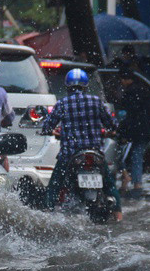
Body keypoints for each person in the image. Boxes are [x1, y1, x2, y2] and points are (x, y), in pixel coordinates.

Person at [40, 69, 122, 222]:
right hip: (94, 152)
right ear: (85, 86)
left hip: (70, 154)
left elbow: (46, 127)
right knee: (109, 183)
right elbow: (112, 125)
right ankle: (118, 214)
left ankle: (48, 214)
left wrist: (55, 133)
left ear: (67, 86)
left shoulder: (62, 103)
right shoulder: (96, 101)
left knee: (54, 184)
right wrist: (106, 132)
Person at [114, 68, 150, 199]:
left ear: (124, 80)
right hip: (145, 130)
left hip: (136, 131)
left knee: (122, 154)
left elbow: (130, 115)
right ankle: (136, 184)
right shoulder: (144, 91)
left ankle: (130, 181)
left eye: (121, 80)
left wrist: (122, 131)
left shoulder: (130, 93)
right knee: (137, 155)